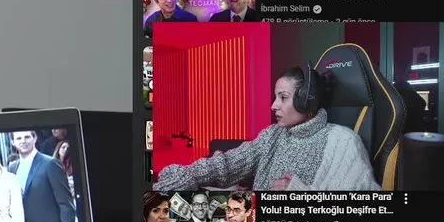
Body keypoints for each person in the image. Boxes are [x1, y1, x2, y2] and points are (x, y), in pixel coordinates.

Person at [154, 66, 380, 192]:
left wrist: (299, 191)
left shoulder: (343, 141)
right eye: (275, 97)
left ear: (307, 100)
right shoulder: (272, 134)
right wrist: (187, 175)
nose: (273, 106)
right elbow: (228, 164)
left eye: (283, 97)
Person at [8, 131, 77, 222]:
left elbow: (66, 204)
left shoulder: (50, 164)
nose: (23, 141)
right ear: (13, 142)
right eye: (19, 138)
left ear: (35, 138)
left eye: (27, 137)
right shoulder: (12, 168)